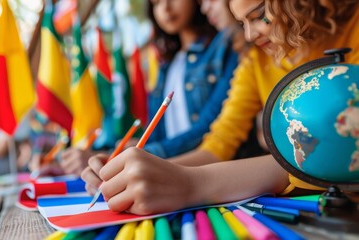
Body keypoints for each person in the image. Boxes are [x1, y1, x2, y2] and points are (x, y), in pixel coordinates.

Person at [81, 0, 359, 215]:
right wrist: (132, 172)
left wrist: (191, 183)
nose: (250, 34)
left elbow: (333, 155)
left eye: (259, 14)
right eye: (242, 22)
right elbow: (217, 145)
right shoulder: (256, 62)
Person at [59, 0, 248, 175]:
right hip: (172, 175)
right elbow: (154, 134)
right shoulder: (164, 66)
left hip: (215, 174)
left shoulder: (224, 46)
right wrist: (116, 154)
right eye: (156, 2)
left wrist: (145, 154)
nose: (165, 8)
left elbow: (209, 127)